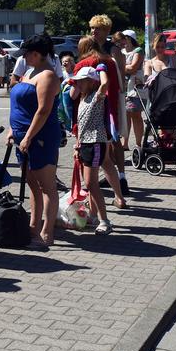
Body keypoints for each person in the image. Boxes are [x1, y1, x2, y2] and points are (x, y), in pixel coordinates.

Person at [8, 34, 61, 248]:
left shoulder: (47, 75)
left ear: (37, 54)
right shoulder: (30, 71)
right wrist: (14, 129)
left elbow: (44, 109)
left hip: (39, 138)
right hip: (23, 138)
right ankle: (33, 226)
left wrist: (29, 136)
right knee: (32, 184)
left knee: (47, 185)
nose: (24, 58)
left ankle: (47, 233)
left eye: (27, 54)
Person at [74, 37, 128, 207]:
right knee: (107, 162)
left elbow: (72, 95)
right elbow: (118, 84)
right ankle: (119, 197)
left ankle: (95, 206)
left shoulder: (84, 64)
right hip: (109, 113)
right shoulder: (109, 61)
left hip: (89, 120)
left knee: (90, 170)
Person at [69, 65, 114, 235]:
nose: (78, 84)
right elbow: (80, 124)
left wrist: (102, 69)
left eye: (81, 81)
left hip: (95, 142)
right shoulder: (83, 98)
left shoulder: (97, 97)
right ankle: (94, 216)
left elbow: (105, 85)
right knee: (89, 184)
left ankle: (105, 221)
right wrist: (77, 144)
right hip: (85, 144)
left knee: (91, 184)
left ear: (90, 81)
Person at [89, 15, 128, 193]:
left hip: (110, 99)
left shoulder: (114, 50)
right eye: (92, 28)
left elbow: (121, 79)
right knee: (99, 141)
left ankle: (122, 177)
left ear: (106, 31)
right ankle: (104, 176)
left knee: (114, 138)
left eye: (97, 28)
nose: (93, 31)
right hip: (93, 98)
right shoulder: (90, 47)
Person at [122, 30, 145, 150]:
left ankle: (138, 144)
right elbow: (128, 68)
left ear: (130, 38)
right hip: (123, 88)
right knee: (125, 116)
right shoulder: (121, 51)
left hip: (135, 89)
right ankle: (124, 143)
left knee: (136, 115)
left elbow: (133, 67)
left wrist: (121, 67)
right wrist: (127, 68)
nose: (122, 40)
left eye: (124, 38)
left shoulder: (138, 51)